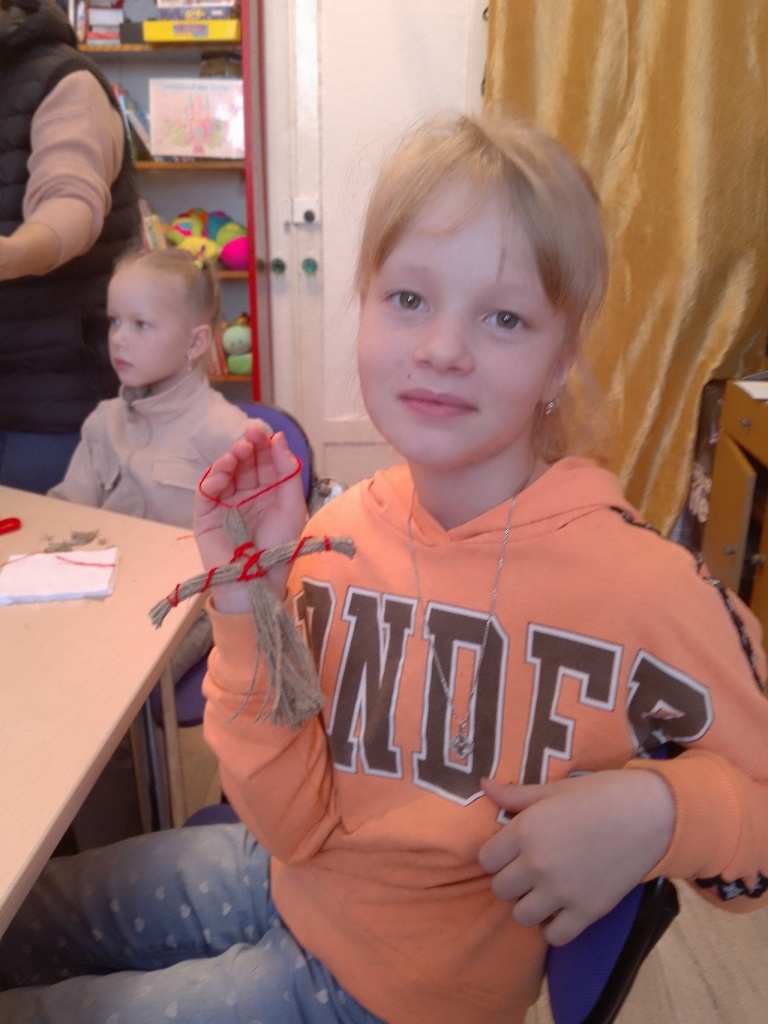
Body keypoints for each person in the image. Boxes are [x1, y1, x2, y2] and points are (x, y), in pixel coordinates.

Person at [2, 111, 768, 1024]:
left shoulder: (645, 589)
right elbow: (290, 821)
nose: (442, 348)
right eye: (408, 299)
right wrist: (250, 604)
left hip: (389, 992)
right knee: (23, 915)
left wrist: (661, 812)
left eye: (505, 317)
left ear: (561, 360)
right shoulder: (339, 535)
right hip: (291, 871)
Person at [0, 0, 140, 495]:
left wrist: (12, 253)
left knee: (49, 535)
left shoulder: (65, 81)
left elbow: (72, 204)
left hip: (56, 395)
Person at [48, 246, 252, 530]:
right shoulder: (104, 422)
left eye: (141, 324)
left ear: (195, 343)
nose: (118, 338)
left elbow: (266, 541)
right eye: (114, 321)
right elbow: (66, 516)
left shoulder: (232, 435)